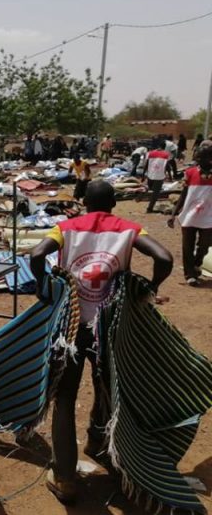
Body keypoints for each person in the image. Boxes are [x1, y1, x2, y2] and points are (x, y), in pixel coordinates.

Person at [30, 180, 173, 505]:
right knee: (112, 390)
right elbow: (164, 257)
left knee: (65, 399)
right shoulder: (130, 228)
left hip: (73, 328)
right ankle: (116, 462)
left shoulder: (65, 228)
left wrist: (43, 286)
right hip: (111, 327)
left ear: (83, 202)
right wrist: (148, 288)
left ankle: (65, 479)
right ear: (113, 204)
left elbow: (37, 254)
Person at [168, 141, 212, 286]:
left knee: (205, 245)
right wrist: (173, 213)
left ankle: (196, 263)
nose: (199, 161)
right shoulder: (190, 173)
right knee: (187, 246)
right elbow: (184, 194)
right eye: (198, 158)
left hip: (208, 217)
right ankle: (190, 274)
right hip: (189, 215)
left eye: (202, 158)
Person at [145, 140, 171, 213]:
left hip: (150, 174)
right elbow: (167, 166)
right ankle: (149, 208)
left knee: (150, 189)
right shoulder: (166, 155)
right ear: (165, 147)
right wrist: (170, 176)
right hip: (159, 176)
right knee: (155, 193)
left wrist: (144, 175)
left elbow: (146, 164)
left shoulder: (150, 153)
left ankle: (142, 198)